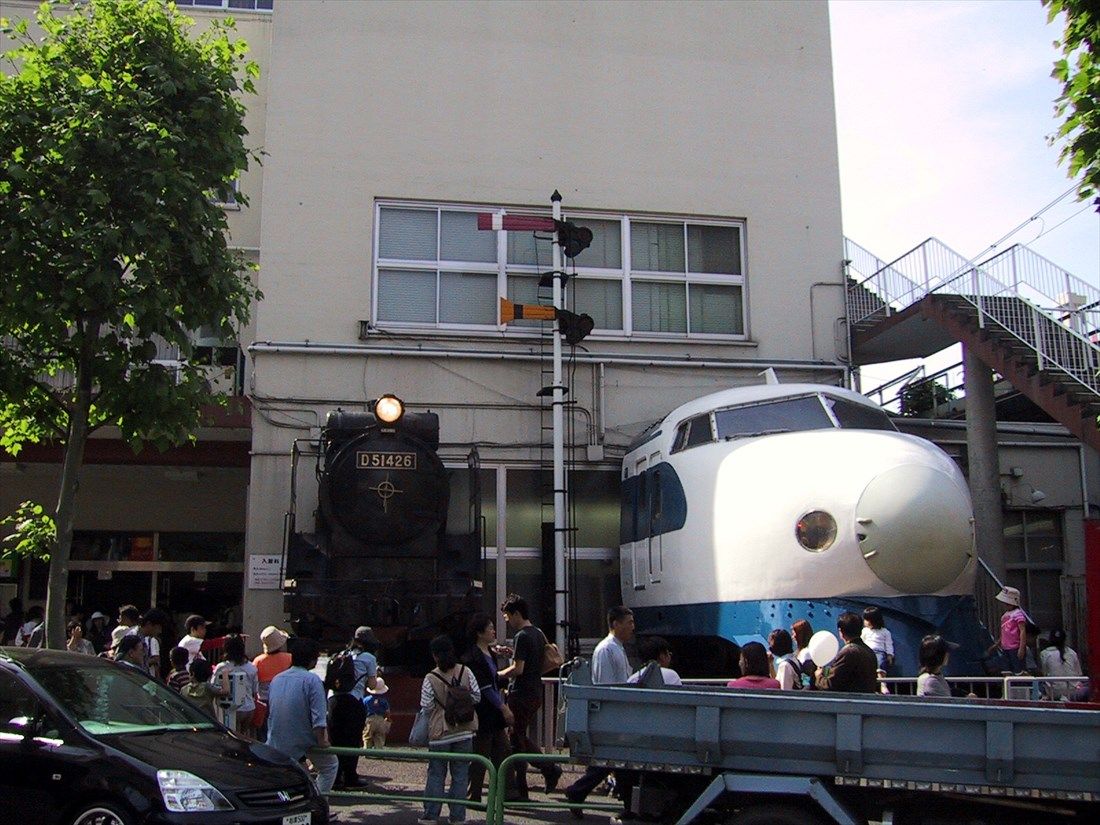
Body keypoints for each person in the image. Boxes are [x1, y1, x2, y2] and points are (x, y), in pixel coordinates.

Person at [565, 605, 637, 820]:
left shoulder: (616, 648)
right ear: (615, 624)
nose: (633, 627)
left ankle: (582, 792)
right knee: (615, 760)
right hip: (612, 713)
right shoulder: (607, 649)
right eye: (629, 622)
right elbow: (606, 687)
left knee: (616, 761)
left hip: (617, 713)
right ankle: (579, 791)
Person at [497, 593, 562, 798]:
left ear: (516, 613)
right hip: (535, 691)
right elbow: (534, 662)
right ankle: (543, 773)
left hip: (521, 692)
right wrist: (511, 653)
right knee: (519, 736)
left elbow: (518, 669)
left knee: (516, 738)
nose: (507, 621)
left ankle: (539, 776)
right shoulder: (538, 633)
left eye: (507, 616)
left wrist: (496, 674)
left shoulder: (522, 636)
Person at [419, 634, 480, 825]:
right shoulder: (465, 672)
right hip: (465, 730)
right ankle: (457, 817)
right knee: (461, 774)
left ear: (435, 656)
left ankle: (431, 815)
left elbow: (426, 706)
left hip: (440, 732)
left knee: (436, 774)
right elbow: (477, 696)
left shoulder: (431, 677)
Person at [267, 637, 339, 796]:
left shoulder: (277, 679)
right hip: (301, 739)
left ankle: (307, 801)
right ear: (312, 660)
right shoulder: (312, 680)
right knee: (330, 766)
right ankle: (319, 804)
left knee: (302, 775)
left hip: (275, 739)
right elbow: (318, 717)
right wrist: (322, 741)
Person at [463, 612, 513, 804]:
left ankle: (505, 792)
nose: (493, 631)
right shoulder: (473, 656)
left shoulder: (490, 653)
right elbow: (484, 687)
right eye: (490, 628)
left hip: (493, 712)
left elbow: (494, 680)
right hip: (484, 711)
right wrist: (503, 707)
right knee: (481, 753)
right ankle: (473, 794)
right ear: (479, 633)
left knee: (503, 750)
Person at [328, 625, 379, 789]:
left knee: (336, 740)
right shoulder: (369, 658)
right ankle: (350, 777)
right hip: (353, 701)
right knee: (351, 740)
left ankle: (335, 778)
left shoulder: (342, 654)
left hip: (334, 700)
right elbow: (372, 685)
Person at [815, 612, 879, 693]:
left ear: (841, 631)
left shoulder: (848, 653)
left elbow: (831, 684)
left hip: (850, 702)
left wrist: (819, 676)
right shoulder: (869, 651)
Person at [211, 634, 259, 737]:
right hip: (249, 707)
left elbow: (213, 686)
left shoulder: (222, 667)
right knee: (245, 737)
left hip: (232, 708)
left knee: (233, 738)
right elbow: (255, 691)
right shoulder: (252, 667)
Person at [1040, 629, 1083, 700]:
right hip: (1073, 692)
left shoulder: (1044, 654)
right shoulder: (1072, 653)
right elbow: (1079, 673)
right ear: (1065, 639)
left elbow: (1044, 673)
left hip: (1054, 693)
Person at [994, 586, 1028, 673]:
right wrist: (997, 644)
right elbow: (1004, 632)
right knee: (1006, 671)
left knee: (1018, 671)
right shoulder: (1005, 615)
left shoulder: (1018, 614)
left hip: (1015, 647)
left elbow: (1022, 631)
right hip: (1005, 647)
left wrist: (1021, 648)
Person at [133, 608, 169, 679]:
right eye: (158, 628)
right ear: (148, 624)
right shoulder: (133, 637)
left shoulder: (148, 640)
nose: (160, 632)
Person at [861, 606, 894, 675]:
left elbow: (888, 644)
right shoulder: (864, 631)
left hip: (879, 652)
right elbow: (861, 641)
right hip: (867, 651)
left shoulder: (885, 632)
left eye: (867, 620)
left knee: (880, 662)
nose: (864, 622)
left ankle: (882, 681)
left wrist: (890, 655)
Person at [362, 677, 391, 749]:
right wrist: (388, 719)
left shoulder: (366, 700)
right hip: (380, 719)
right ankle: (378, 752)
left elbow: (363, 709)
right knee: (379, 737)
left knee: (367, 736)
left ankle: (367, 750)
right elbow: (387, 712)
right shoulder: (384, 701)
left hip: (370, 719)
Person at [791, 619, 816, 688]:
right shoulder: (802, 652)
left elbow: (807, 676)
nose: (792, 637)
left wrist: (805, 688)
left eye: (794, 633)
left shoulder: (806, 653)